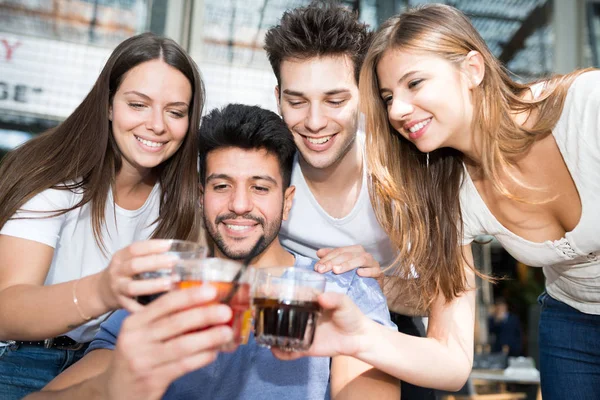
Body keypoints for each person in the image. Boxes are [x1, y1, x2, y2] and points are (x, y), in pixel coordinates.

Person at [277, 3, 600, 399]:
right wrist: (361, 325)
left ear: (472, 69)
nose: (396, 109)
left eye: (414, 84)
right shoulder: (447, 190)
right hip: (571, 320)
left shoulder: (586, 108)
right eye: (387, 95)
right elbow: (451, 356)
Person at [24, 104, 399, 400]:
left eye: (260, 188)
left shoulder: (343, 288)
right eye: (222, 186)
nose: (239, 204)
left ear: (287, 203)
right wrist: (118, 385)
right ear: (202, 197)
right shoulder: (162, 286)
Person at [0, 32, 205, 398]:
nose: (157, 125)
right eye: (138, 105)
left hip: (107, 365)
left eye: (175, 112)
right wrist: (103, 290)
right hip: (20, 361)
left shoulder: (183, 201)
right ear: (109, 105)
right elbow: (5, 311)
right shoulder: (55, 179)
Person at [263, 4, 433, 398]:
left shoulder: (402, 174)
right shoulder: (265, 176)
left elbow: (437, 296)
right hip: (289, 322)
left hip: (387, 324)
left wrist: (374, 284)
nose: (315, 121)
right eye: (297, 101)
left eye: (335, 100)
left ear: (363, 95)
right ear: (278, 97)